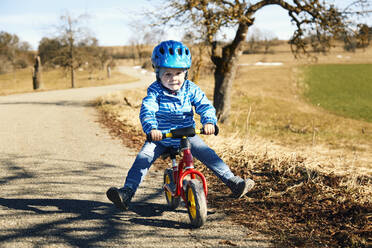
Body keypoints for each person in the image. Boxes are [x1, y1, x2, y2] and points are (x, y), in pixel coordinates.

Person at [106, 40, 254, 210]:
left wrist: (209, 122)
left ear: (186, 73)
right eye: (167, 74)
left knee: (209, 155)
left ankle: (233, 182)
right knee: (142, 159)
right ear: (158, 74)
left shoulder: (191, 89)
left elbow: (204, 105)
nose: (173, 79)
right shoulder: (155, 91)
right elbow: (148, 109)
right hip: (161, 136)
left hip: (188, 134)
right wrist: (152, 129)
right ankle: (127, 192)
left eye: (178, 73)